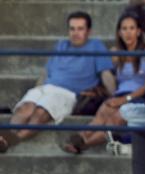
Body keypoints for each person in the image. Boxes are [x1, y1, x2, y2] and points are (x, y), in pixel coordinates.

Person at [0, 11, 114, 153]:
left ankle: (12, 140)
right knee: (26, 108)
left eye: (80, 29)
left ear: (88, 31)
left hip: (68, 93)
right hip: (46, 88)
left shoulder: (96, 46)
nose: (75, 33)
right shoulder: (61, 44)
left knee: (41, 112)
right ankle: (3, 137)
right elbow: (46, 72)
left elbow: (106, 74)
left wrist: (113, 96)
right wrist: (37, 91)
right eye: (72, 29)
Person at [62, 12, 145, 154]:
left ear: (138, 31)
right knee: (101, 116)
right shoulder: (115, 52)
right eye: (124, 29)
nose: (128, 33)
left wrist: (125, 99)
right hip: (118, 96)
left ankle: (83, 145)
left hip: (139, 98)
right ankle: (78, 139)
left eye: (131, 28)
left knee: (115, 120)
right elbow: (101, 73)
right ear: (119, 32)